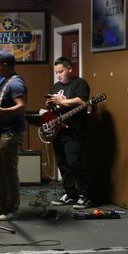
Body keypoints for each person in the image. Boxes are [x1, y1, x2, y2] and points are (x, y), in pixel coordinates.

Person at [0, 51, 27, 221]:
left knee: (9, 172)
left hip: (11, 132)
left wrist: (3, 112)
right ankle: (1, 205)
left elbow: (21, 106)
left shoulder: (16, 83)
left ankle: (13, 209)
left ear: (5, 65)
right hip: (0, 131)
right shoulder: (3, 82)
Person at [46, 56, 92, 209]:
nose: (58, 75)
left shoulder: (80, 84)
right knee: (63, 164)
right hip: (59, 131)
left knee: (75, 163)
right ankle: (70, 194)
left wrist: (62, 101)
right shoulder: (55, 87)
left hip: (75, 132)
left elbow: (82, 101)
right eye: (56, 72)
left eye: (61, 72)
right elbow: (52, 107)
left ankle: (85, 195)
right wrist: (49, 104)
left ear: (70, 69)